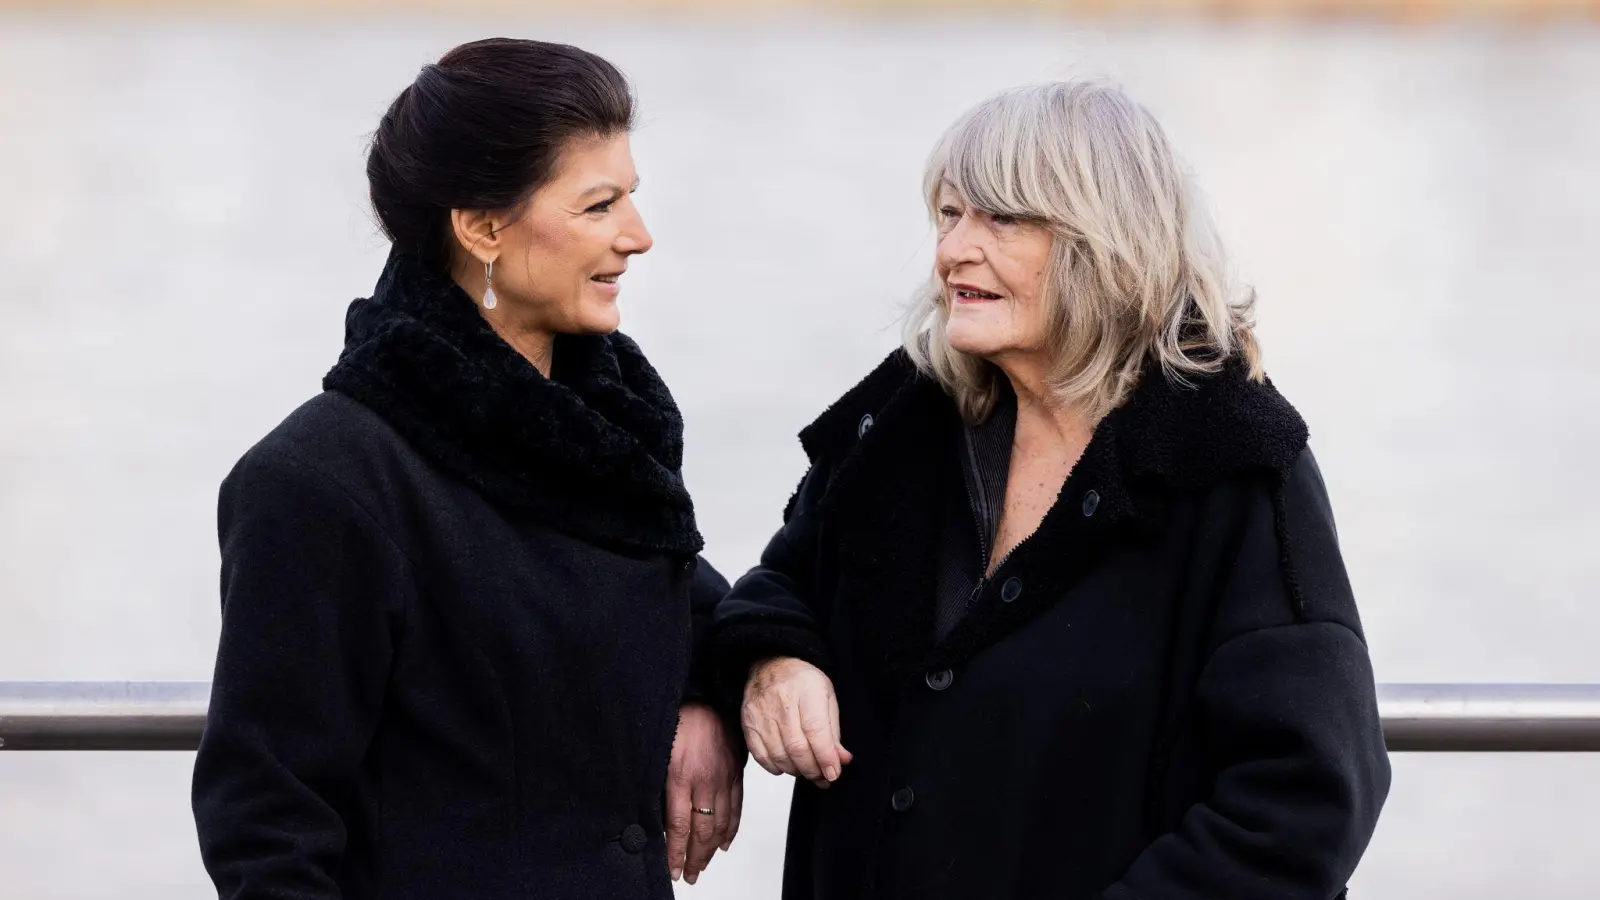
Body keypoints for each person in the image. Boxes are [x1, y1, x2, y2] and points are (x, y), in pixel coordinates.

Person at [710, 80, 1391, 900]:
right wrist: (777, 661)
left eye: (997, 218)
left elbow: (1305, 802)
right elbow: (781, 581)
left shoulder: (1235, 461)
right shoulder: (905, 418)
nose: (953, 250)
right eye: (949, 215)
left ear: (1106, 240)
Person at [192, 38, 741, 900]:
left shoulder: (600, 438)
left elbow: (695, 601)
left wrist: (718, 690)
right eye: (599, 206)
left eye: (632, 196)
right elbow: (266, 825)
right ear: (481, 226)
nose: (638, 236)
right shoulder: (321, 481)